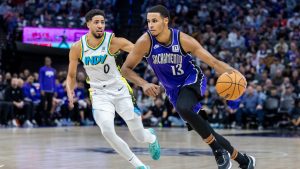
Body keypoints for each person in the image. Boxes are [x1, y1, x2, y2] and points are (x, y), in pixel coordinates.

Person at [121, 5, 255, 169]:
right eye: (148, 21)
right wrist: (144, 83)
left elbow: (212, 62)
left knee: (184, 108)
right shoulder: (144, 42)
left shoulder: (183, 39)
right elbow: (125, 69)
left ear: (165, 21)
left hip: (192, 80)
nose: (150, 25)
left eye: (154, 21)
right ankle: (244, 161)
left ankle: (217, 151)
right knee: (205, 128)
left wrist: (234, 73)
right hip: (173, 91)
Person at [66, 9, 160, 169]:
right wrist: (70, 91)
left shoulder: (113, 41)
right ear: (88, 24)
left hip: (120, 90)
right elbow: (71, 75)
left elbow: (139, 50)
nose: (100, 25)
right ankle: (139, 165)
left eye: (102, 22)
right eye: (96, 22)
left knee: (139, 136)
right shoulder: (77, 47)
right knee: (107, 131)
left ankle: (151, 138)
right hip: (99, 94)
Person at [39, 56, 56, 126]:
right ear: (45, 62)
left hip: (51, 90)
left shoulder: (53, 70)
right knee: (43, 105)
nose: (48, 62)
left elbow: (54, 81)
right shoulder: (42, 69)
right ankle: (42, 119)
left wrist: (55, 90)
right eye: (46, 61)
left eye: (49, 60)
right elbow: (40, 79)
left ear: (51, 61)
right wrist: (41, 89)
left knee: (50, 105)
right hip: (44, 90)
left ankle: (48, 119)